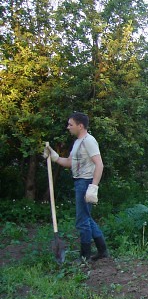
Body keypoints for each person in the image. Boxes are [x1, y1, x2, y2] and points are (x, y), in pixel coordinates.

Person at [43, 112, 108, 262]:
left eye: (70, 124)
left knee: (82, 220)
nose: (68, 127)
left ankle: (84, 257)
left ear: (80, 126)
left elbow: (99, 164)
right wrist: (54, 156)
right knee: (87, 218)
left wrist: (93, 186)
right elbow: (69, 163)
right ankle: (102, 251)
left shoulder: (89, 141)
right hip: (79, 182)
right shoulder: (78, 142)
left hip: (85, 182)